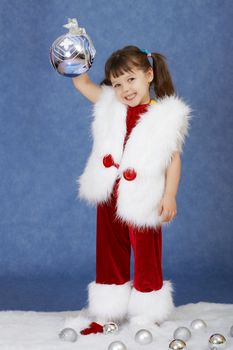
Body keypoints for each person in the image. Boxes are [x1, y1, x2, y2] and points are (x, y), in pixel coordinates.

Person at [71, 45, 190, 334]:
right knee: (109, 250)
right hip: (110, 193)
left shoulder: (163, 116)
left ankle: (147, 312)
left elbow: (173, 161)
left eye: (131, 79)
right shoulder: (111, 105)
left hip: (144, 196)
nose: (125, 89)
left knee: (147, 252)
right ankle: (109, 309)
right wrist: (74, 57)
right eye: (117, 83)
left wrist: (169, 195)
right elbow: (82, 83)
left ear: (149, 74)